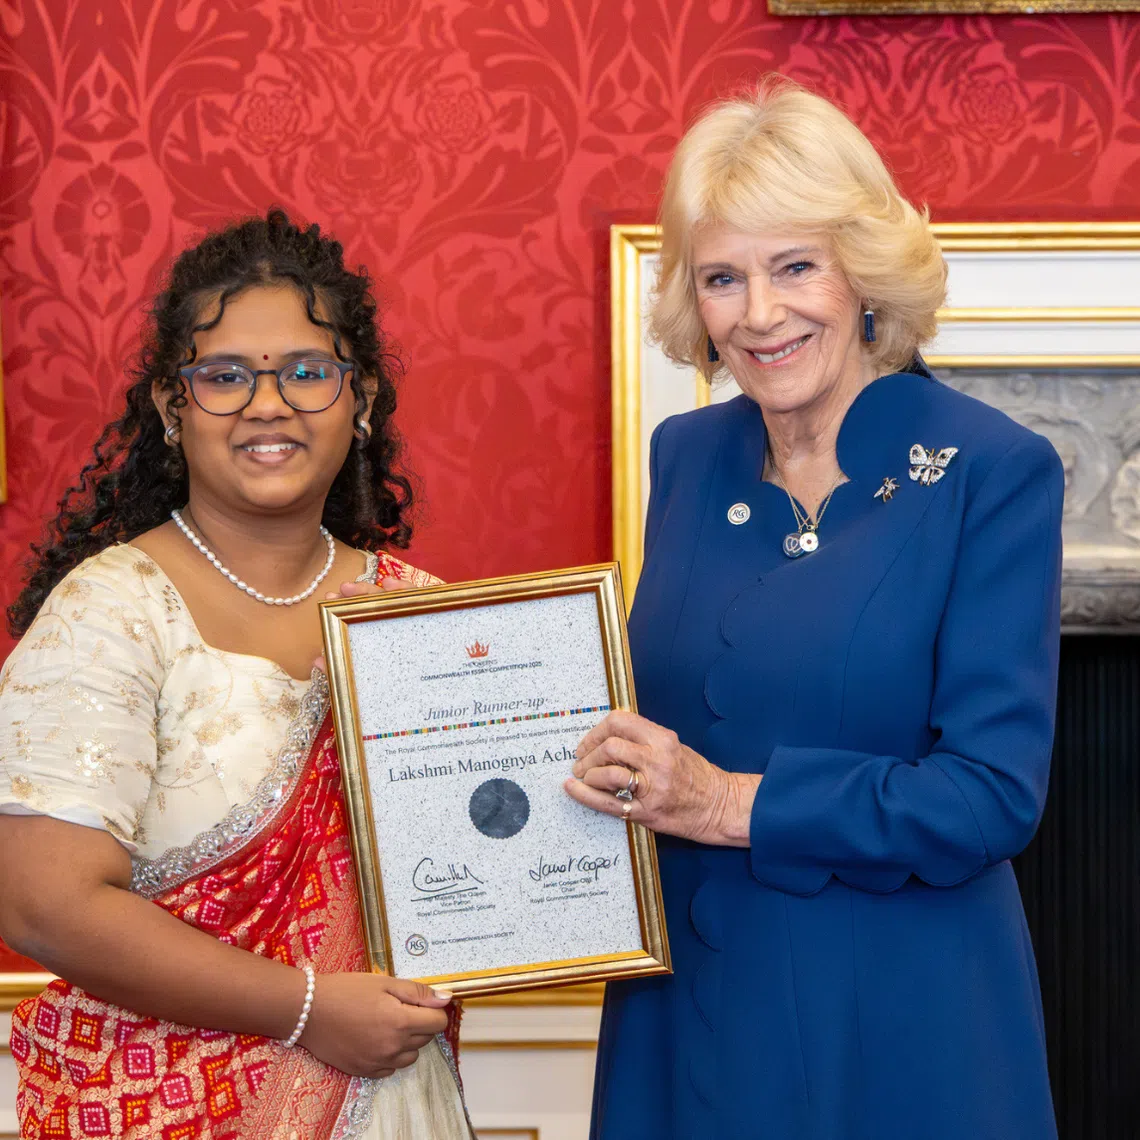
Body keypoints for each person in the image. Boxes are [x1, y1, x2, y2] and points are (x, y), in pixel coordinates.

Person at [567, 78, 1063, 1139]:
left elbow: (989, 797)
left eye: (795, 266)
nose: (759, 313)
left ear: (864, 273)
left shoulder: (991, 470)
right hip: (689, 999)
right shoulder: (687, 457)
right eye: (722, 278)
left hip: (900, 1016)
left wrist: (726, 805)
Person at [0, 210, 473, 1139]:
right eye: (225, 377)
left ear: (361, 398)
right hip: (154, 1109)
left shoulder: (419, 614)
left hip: (393, 1103)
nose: (269, 404)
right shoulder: (111, 612)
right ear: (174, 411)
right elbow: (43, 905)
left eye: (307, 371)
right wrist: (307, 1009)